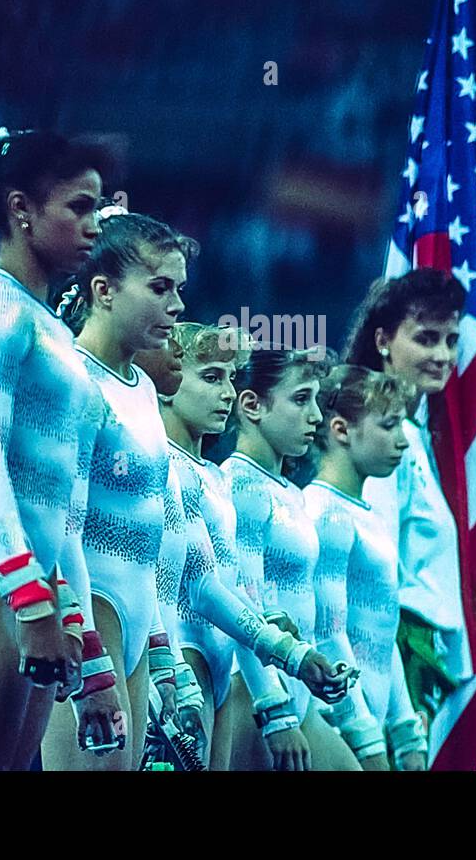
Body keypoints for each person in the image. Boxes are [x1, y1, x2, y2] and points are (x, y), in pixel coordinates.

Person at [0, 127, 123, 770]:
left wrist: (86, 645)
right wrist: (27, 597)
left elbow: (65, 509)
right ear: (21, 211)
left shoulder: (55, 333)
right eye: (80, 207)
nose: (96, 224)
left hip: (36, 569)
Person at [137, 324, 349, 768]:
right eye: (212, 378)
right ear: (169, 383)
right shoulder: (166, 465)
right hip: (185, 653)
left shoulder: (212, 476)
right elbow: (198, 587)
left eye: (231, 378)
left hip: (220, 657)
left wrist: (271, 628)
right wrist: (280, 675)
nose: (228, 392)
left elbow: (225, 581)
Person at [40, 209, 195, 771]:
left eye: (178, 289)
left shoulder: (145, 391)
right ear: (103, 290)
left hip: (131, 619)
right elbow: (58, 533)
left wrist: (159, 651)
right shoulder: (71, 380)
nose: (177, 307)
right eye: (160, 288)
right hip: (88, 613)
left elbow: (153, 541)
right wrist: (90, 653)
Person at [344, 269, 476, 765]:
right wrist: (393, 690)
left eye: (451, 340)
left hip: (412, 652)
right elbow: (371, 569)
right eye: (425, 339)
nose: (443, 355)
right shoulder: (379, 433)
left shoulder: (414, 435)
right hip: (390, 649)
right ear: (383, 340)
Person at [222, 346, 360, 771]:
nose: (316, 416)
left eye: (316, 399)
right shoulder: (240, 487)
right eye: (301, 399)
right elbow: (242, 603)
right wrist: (273, 709)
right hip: (253, 687)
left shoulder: (291, 493)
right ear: (252, 405)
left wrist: (318, 670)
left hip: (295, 687)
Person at [303, 364, 429, 770]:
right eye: (390, 426)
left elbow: (382, 631)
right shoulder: (323, 512)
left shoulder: (367, 515)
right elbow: (328, 631)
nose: (402, 443)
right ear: (341, 430)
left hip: (367, 719)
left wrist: (404, 727)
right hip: (334, 724)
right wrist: (362, 735)